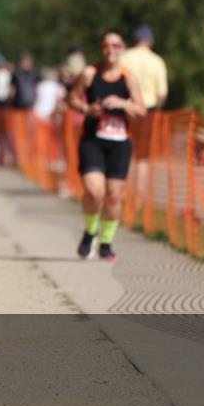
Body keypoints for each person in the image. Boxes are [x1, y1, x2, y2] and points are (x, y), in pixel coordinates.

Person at [67, 30, 146, 261]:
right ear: (102, 49)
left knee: (113, 195)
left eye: (116, 45)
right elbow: (71, 98)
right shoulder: (90, 73)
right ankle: (90, 231)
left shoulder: (128, 77)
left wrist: (123, 103)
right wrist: (87, 109)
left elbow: (141, 110)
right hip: (93, 140)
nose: (111, 50)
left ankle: (106, 242)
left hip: (120, 143)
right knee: (94, 191)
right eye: (106, 46)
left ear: (122, 49)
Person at [120, 24, 168, 208]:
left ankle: (122, 190)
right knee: (142, 155)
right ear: (151, 41)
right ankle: (139, 195)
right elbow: (162, 92)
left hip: (126, 108)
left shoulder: (125, 57)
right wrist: (158, 107)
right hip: (148, 110)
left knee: (124, 150)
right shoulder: (156, 61)